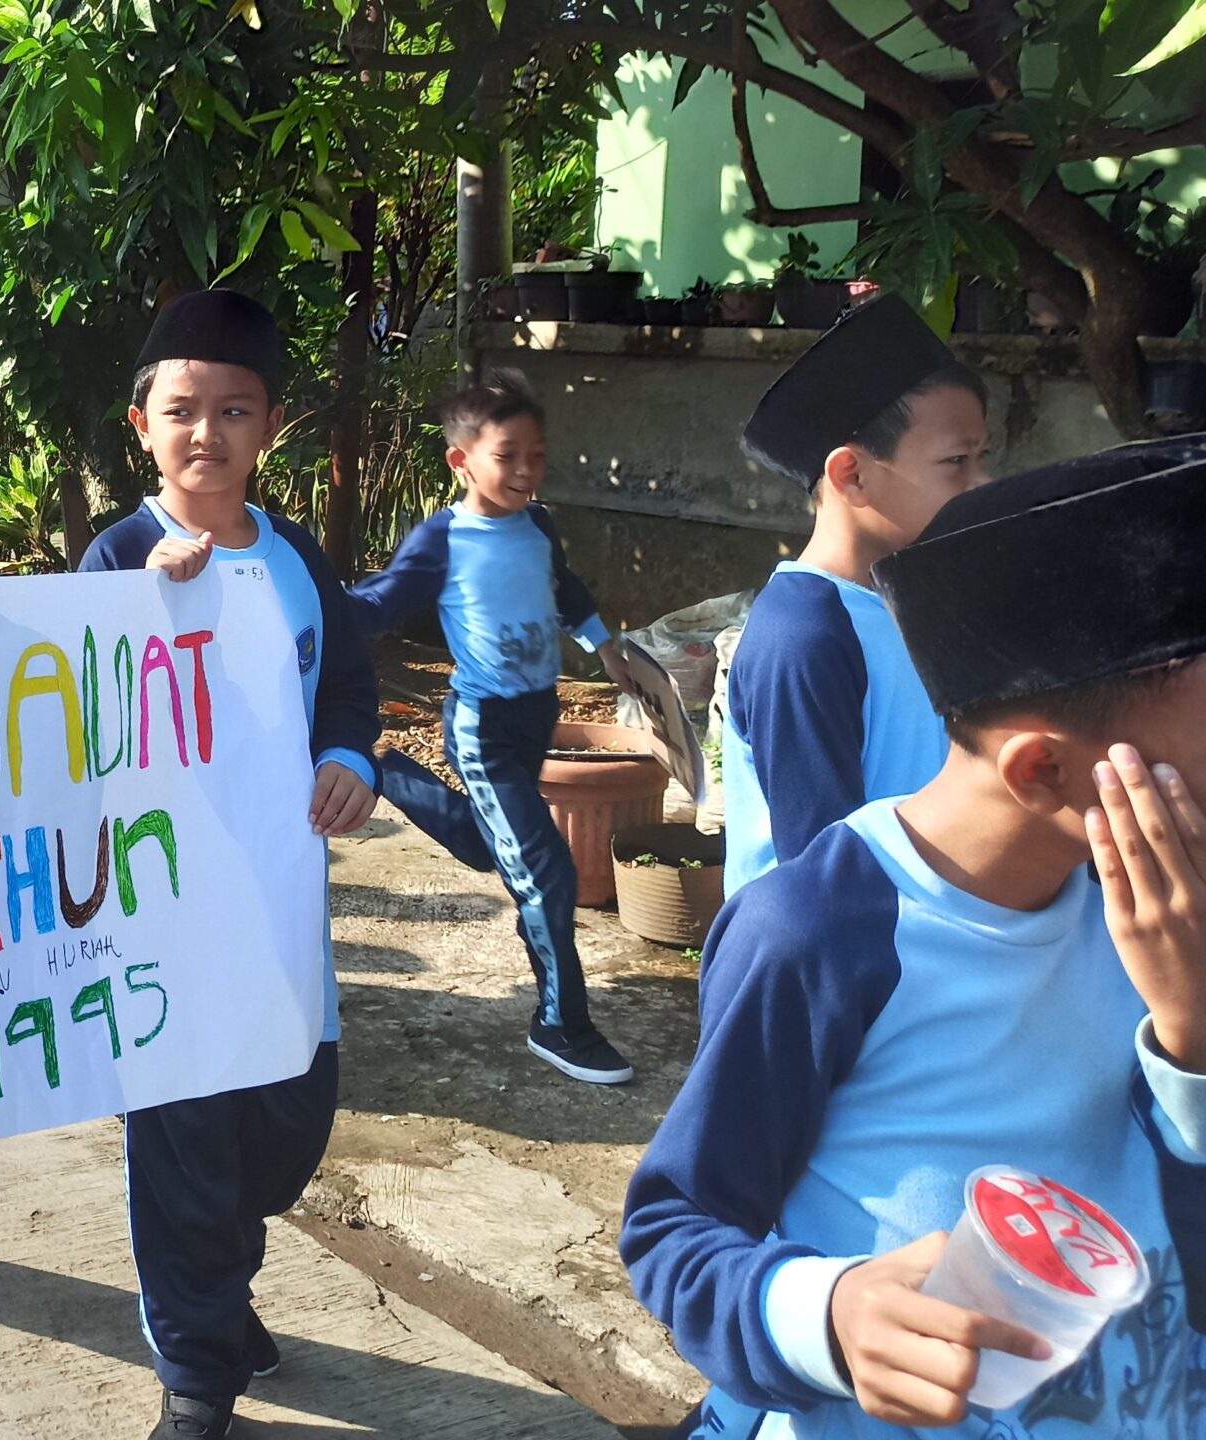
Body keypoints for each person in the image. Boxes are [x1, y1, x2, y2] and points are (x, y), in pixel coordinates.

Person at [619, 438, 1206, 1440]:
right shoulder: (824, 930)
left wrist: (1191, 1032)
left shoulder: (1174, 915)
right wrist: (828, 1316)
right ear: (1042, 773)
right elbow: (676, 1227)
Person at [78, 289, 383, 1440]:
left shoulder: (297, 558)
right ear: (141, 425)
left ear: (270, 427)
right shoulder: (117, 555)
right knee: (183, 1146)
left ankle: (217, 1280)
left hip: (280, 909)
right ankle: (196, 1373)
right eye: (181, 411)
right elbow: (72, 718)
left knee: (285, 1131)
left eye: (234, 411)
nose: (206, 433)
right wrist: (139, 607)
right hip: (159, 914)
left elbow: (345, 685)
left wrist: (348, 757)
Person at [351, 368, 640, 1086]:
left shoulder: (537, 525)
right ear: (462, 460)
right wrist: (301, 605)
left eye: (536, 456)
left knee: (498, 849)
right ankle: (562, 1024)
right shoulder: (444, 539)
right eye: (507, 456)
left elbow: (564, 588)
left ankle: (388, 769)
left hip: (536, 717)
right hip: (483, 729)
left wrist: (606, 646)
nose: (524, 471)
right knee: (546, 872)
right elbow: (379, 602)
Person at [719, 296, 990, 896]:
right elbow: (820, 873)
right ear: (853, 476)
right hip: (843, 943)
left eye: (981, 457)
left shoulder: (921, 601)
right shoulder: (803, 635)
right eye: (956, 461)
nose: (981, 483)